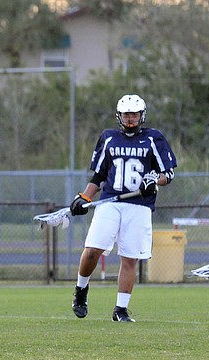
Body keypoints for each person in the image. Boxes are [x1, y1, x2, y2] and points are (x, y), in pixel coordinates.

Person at [69, 94, 176, 322]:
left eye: (134, 114)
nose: (130, 119)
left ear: (141, 115)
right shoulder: (108, 138)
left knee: (129, 258)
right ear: (119, 116)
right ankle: (81, 290)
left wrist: (153, 181)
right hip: (111, 202)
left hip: (139, 205)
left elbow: (168, 173)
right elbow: (98, 176)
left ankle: (120, 309)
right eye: (126, 115)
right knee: (93, 249)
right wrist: (84, 198)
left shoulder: (153, 138)